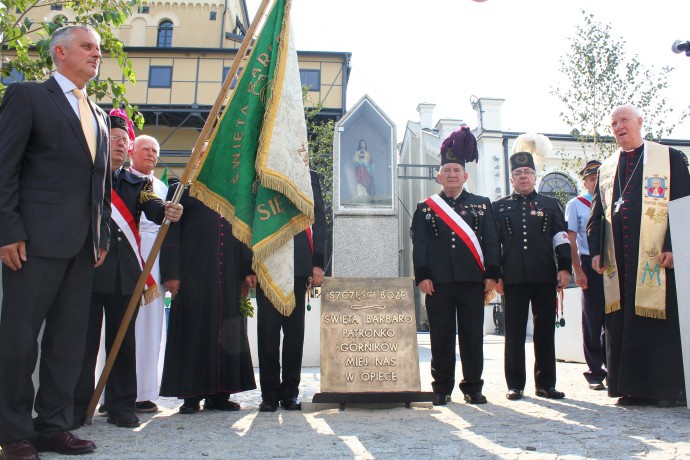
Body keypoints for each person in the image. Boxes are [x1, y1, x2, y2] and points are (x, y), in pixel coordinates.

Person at [0, 25, 110, 458]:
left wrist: (99, 236)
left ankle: (54, 426)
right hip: (32, 244)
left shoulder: (100, 115)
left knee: (68, 342)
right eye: (87, 47)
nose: (95, 54)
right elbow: (4, 168)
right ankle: (14, 433)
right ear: (60, 52)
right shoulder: (27, 97)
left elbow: (98, 185)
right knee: (20, 341)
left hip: (83, 249)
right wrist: (7, 231)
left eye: (99, 49)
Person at [73, 111, 182, 429]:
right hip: (89, 272)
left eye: (125, 141)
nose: (120, 146)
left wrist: (168, 210)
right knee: (84, 343)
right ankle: (79, 403)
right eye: (115, 140)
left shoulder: (138, 182)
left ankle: (120, 405)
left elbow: (152, 206)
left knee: (122, 343)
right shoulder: (86, 175)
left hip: (123, 275)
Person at [587, 105, 690, 407]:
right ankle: (629, 388)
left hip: (657, 258)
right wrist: (595, 250)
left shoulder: (668, 158)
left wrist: (674, 245)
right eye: (613, 123)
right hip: (618, 260)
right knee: (622, 322)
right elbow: (597, 215)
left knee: (656, 322)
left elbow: (684, 205)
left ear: (640, 122)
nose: (618, 127)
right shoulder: (607, 168)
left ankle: (664, 391)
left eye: (624, 121)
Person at [410, 126, 500, 406]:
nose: (451, 175)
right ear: (439, 175)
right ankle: (442, 387)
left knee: (473, 336)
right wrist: (422, 276)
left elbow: (491, 241)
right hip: (438, 283)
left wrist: (492, 275)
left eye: (456, 171)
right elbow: (420, 244)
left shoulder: (482, 205)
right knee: (441, 337)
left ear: (465, 175)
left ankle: (473, 387)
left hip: (472, 281)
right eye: (446, 170)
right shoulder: (426, 207)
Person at [159, 180, 256, 413]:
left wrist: (247, 268)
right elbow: (171, 233)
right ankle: (191, 396)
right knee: (193, 332)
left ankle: (220, 395)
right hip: (193, 277)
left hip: (228, 276)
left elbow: (243, 231)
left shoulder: (232, 190)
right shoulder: (182, 189)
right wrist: (171, 273)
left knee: (226, 333)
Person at [493, 133, 572, 401]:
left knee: (544, 332)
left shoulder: (550, 205)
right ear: (512, 178)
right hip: (512, 277)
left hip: (544, 276)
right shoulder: (499, 208)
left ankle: (545, 384)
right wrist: (495, 276)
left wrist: (565, 267)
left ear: (535, 176)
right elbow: (494, 246)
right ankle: (515, 384)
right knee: (513, 333)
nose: (523, 176)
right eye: (518, 173)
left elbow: (560, 237)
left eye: (528, 172)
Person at [246, 169, 327, 412]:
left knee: (294, 335)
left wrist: (318, 263)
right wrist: (247, 265)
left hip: (299, 263)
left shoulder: (309, 175)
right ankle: (269, 394)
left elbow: (319, 219)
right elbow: (248, 220)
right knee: (267, 334)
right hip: (268, 262)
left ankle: (290, 392)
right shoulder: (261, 172)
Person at [129, 135, 169, 414]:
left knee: (152, 326)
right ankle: (113, 393)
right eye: (145, 149)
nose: (151, 155)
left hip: (156, 260)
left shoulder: (163, 188)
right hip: (129, 255)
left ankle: (145, 391)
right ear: (132, 150)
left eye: (155, 151)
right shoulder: (119, 179)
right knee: (122, 324)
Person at [565, 160, 607, 391]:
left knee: (614, 318)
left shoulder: (613, 201)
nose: (596, 183)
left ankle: (614, 368)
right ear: (585, 182)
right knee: (592, 318)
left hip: (613, 264)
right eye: (592, 179)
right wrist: (577, 270)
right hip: (588, 262)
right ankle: (595, 371)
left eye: (599, 179)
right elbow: (571, 238)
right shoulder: (577, 204)